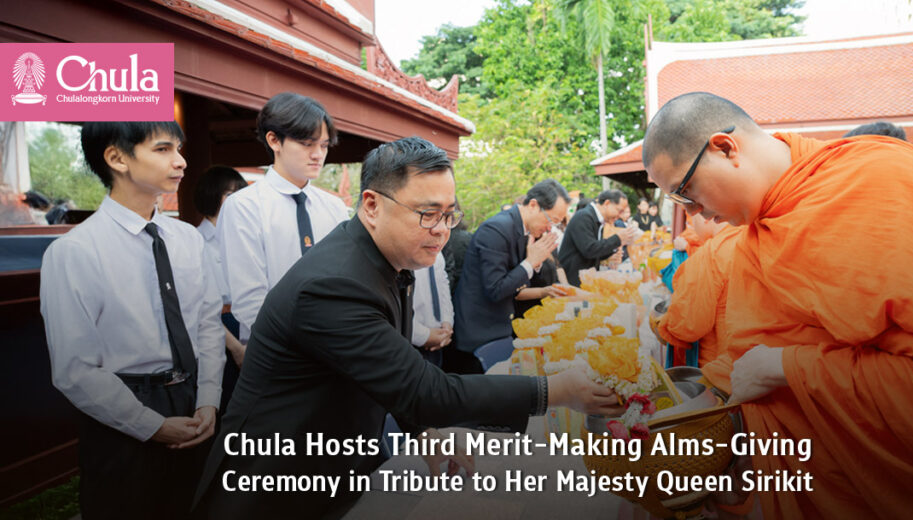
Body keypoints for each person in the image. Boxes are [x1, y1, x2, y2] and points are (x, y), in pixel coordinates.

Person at [193, 137, 622, 518]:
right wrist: (554, 390)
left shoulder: (390, 260)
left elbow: (387, 369)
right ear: (372, 205)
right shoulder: (334, 285)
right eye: (426, 214)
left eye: (448, 215)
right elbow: (424, 390)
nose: (439, 231)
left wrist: (422, 431)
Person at [642, 91, 913, 518]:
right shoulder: (756, 237)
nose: (694, 213)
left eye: (685, 192)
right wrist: (677, 431)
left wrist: (786, 367)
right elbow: (744, 365)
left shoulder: (887, 184)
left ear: (726, 147)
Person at [40, 122, 224, 519]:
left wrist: (209, 400)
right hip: (122, 412)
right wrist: (151, 425)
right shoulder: (74, 252)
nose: (180, 161)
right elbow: (75, 369)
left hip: (195, 402)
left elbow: (208, 325)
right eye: (162, 149)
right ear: (116, 158)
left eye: (178, 148)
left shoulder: (187, 239)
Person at [217, 92, 349, 345]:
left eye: (323, 145)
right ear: (274, 140)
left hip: (334, 349)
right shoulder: (244, 206)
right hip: (275, 352)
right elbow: (249, 300)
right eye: (307, 144)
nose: (318, 154)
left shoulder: (334, 207)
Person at [452, 179, 571, 372]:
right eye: (551, 221)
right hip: (479, 335)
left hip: (502, 329)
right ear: (533, 205)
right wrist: (530, 263)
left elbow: (518, 282)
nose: (550, 229)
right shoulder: (497, 229)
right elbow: (496, 289)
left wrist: (535, 264)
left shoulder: (523, 230)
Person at [193, 165, 249, 409]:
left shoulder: (245, 236)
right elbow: (201, 307)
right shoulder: (195, 241)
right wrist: (236, 348)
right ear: (211, 194)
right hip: (218, 330)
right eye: (230, 194)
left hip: (250, 324)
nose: (238, 200)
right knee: (226, 406)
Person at [658, 214, 739, 369]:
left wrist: (662, 324)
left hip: (720, 369)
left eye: (692, 219)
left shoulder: (712, 254)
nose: (692, 227)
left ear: (706, 215)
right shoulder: (750, 235)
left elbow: (686, 326)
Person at [558, 189, 641, 286]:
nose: (619, 216)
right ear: (607, 203)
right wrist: (618, 238)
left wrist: (612, 253)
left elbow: (596, 251)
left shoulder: (598, 220)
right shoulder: (584, 216)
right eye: (619, 211)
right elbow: (589, 250)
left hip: (585, 281)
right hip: (571, 281)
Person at [411, 251, 454, 367]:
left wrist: (447, 322)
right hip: (410, 342)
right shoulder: (402, 253)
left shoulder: (437, 251)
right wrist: (424, 336)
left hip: (438, 336)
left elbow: (443, 282)